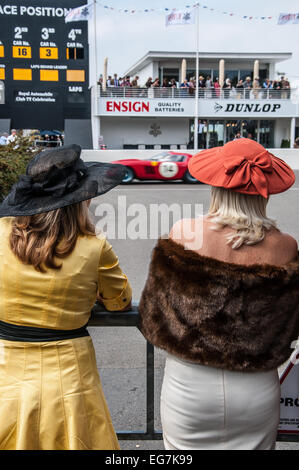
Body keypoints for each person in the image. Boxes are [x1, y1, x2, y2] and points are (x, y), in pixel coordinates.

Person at [139, 138, 299, 450]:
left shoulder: (184, 232)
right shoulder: (286, 246)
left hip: (190, 385)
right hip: (256, 387)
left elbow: (153, 311)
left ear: (217, 186)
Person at [0, 145, 132, 450]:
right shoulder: (94, 246)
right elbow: (120, 301)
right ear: (78, 200)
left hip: (6, 362)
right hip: (70, 373)